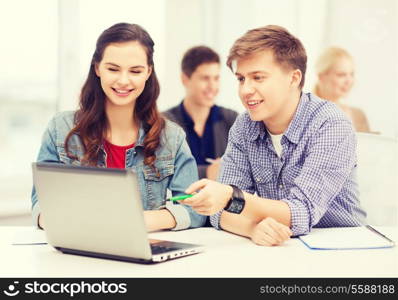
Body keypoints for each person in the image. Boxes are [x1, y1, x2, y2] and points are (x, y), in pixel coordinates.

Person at [180, 25, 366, 246]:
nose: (245, 90)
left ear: (294, 78)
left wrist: (232, 197)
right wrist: (252, 228)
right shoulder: (245, 125)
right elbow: (221, 213)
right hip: (282, 247)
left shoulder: (330, 124)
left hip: (344, 247)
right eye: (241, 79)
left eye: (258, 78)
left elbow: (301, 212)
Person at [31, 23, 206, 232]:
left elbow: (194, 210)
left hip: (144, 256)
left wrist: (134, 221)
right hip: (80, 253)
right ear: (97, 68)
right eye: (113, 69)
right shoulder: (61, 129)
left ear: (148, 72)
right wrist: (69, 222)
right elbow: (41, 205)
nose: (123, 81)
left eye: (135, 71)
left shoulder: (171, 137)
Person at [163, 46, 238, 180]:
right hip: (178, 200)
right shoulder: (165, 122)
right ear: (185, 79)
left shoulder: (231, 119)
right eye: (205, 78)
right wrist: (208, 172)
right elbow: (163, 172)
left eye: (216, 78)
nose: (212, 86)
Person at [314, 47, 371, 133]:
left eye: (351, 74)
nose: (349, 81)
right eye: (341, 75)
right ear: (321, 77)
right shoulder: (305, 111)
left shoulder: (358, 116)